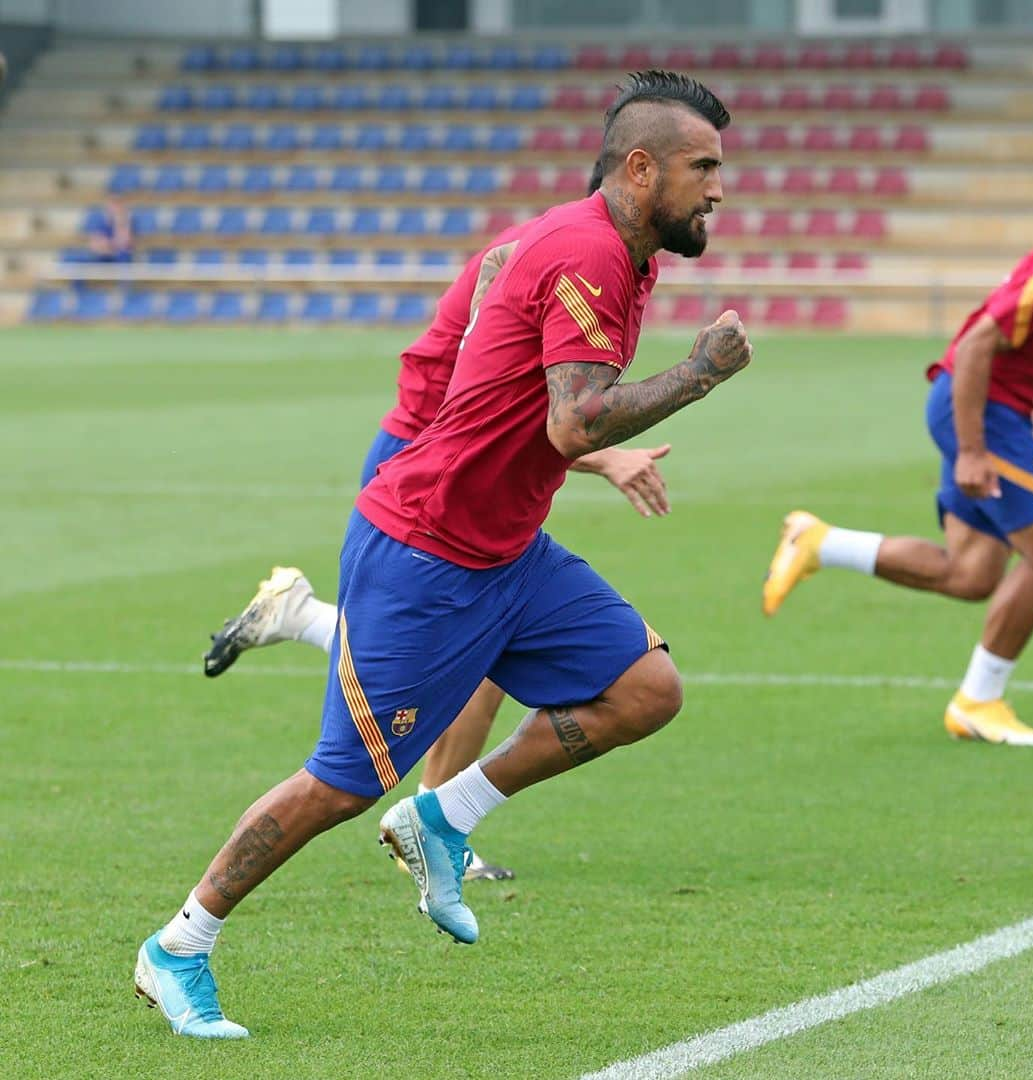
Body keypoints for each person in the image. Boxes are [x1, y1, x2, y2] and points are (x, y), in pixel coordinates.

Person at [135, 70, 750, 1039]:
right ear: (642, 167)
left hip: (506, 549)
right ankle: (179, 945)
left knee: (645, 691)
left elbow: (520, 407)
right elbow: (575, 419)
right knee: (341, 783)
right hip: (426, 555)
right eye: (704, 166)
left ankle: (445, 813)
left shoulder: (617, 252)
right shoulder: (586, 251)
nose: (721, 187)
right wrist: (700, 372)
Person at [200, 166, 673, 883]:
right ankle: (432, 821)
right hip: (424, 466)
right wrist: (604, 458)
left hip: (442, 462)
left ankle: (303, 624)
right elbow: (489, 420)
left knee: (476, 651)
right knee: (469, 664)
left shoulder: (558, 250)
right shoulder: (563, 258)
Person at [763, 234, 1033, 746]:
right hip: (976, 408)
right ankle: (978, 701)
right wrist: (973, 450)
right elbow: (977, 342)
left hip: (1003, 415)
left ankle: (819, 541)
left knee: (973, 573)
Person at [87, 196, 134, 263]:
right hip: (102, 255)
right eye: (112, 207)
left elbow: (123, 243)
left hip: (118, 257)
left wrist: (118, 223)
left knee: (123, 255)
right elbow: (94, 245)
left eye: (118, 207)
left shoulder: (124, 223)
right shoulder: (99, 222)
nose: (114, 210)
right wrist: (106, 247)